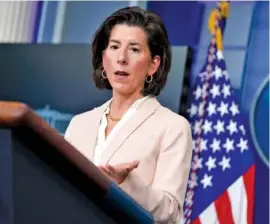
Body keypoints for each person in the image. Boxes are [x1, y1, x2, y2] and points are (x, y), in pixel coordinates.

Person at [64, 6, 192, 224]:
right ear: (103, 58)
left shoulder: (173, 127)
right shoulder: (79, 124)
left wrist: (129, 184)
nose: (121, 58)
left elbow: (171, 213)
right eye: (114, 47)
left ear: (153, 64)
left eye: (134, 49)